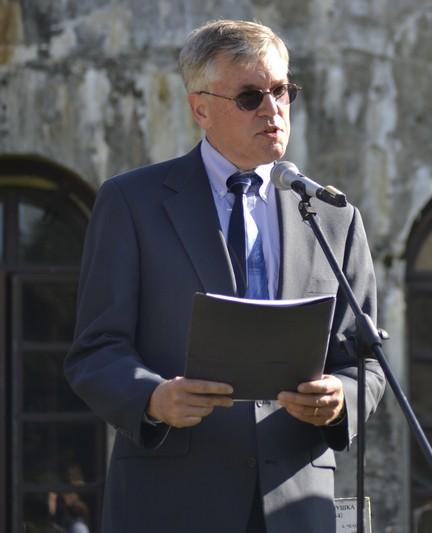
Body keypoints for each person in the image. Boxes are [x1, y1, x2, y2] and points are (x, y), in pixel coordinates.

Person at [65, 19, 385, 533]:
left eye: (282, 91)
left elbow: (365, 361)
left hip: (294, 501)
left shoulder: (332, 216)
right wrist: (153, 399)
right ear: (201, 108)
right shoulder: (132, 203)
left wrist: (339, 399)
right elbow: (95, 351)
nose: (272, 109)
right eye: (250, 96)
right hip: (172, 499)